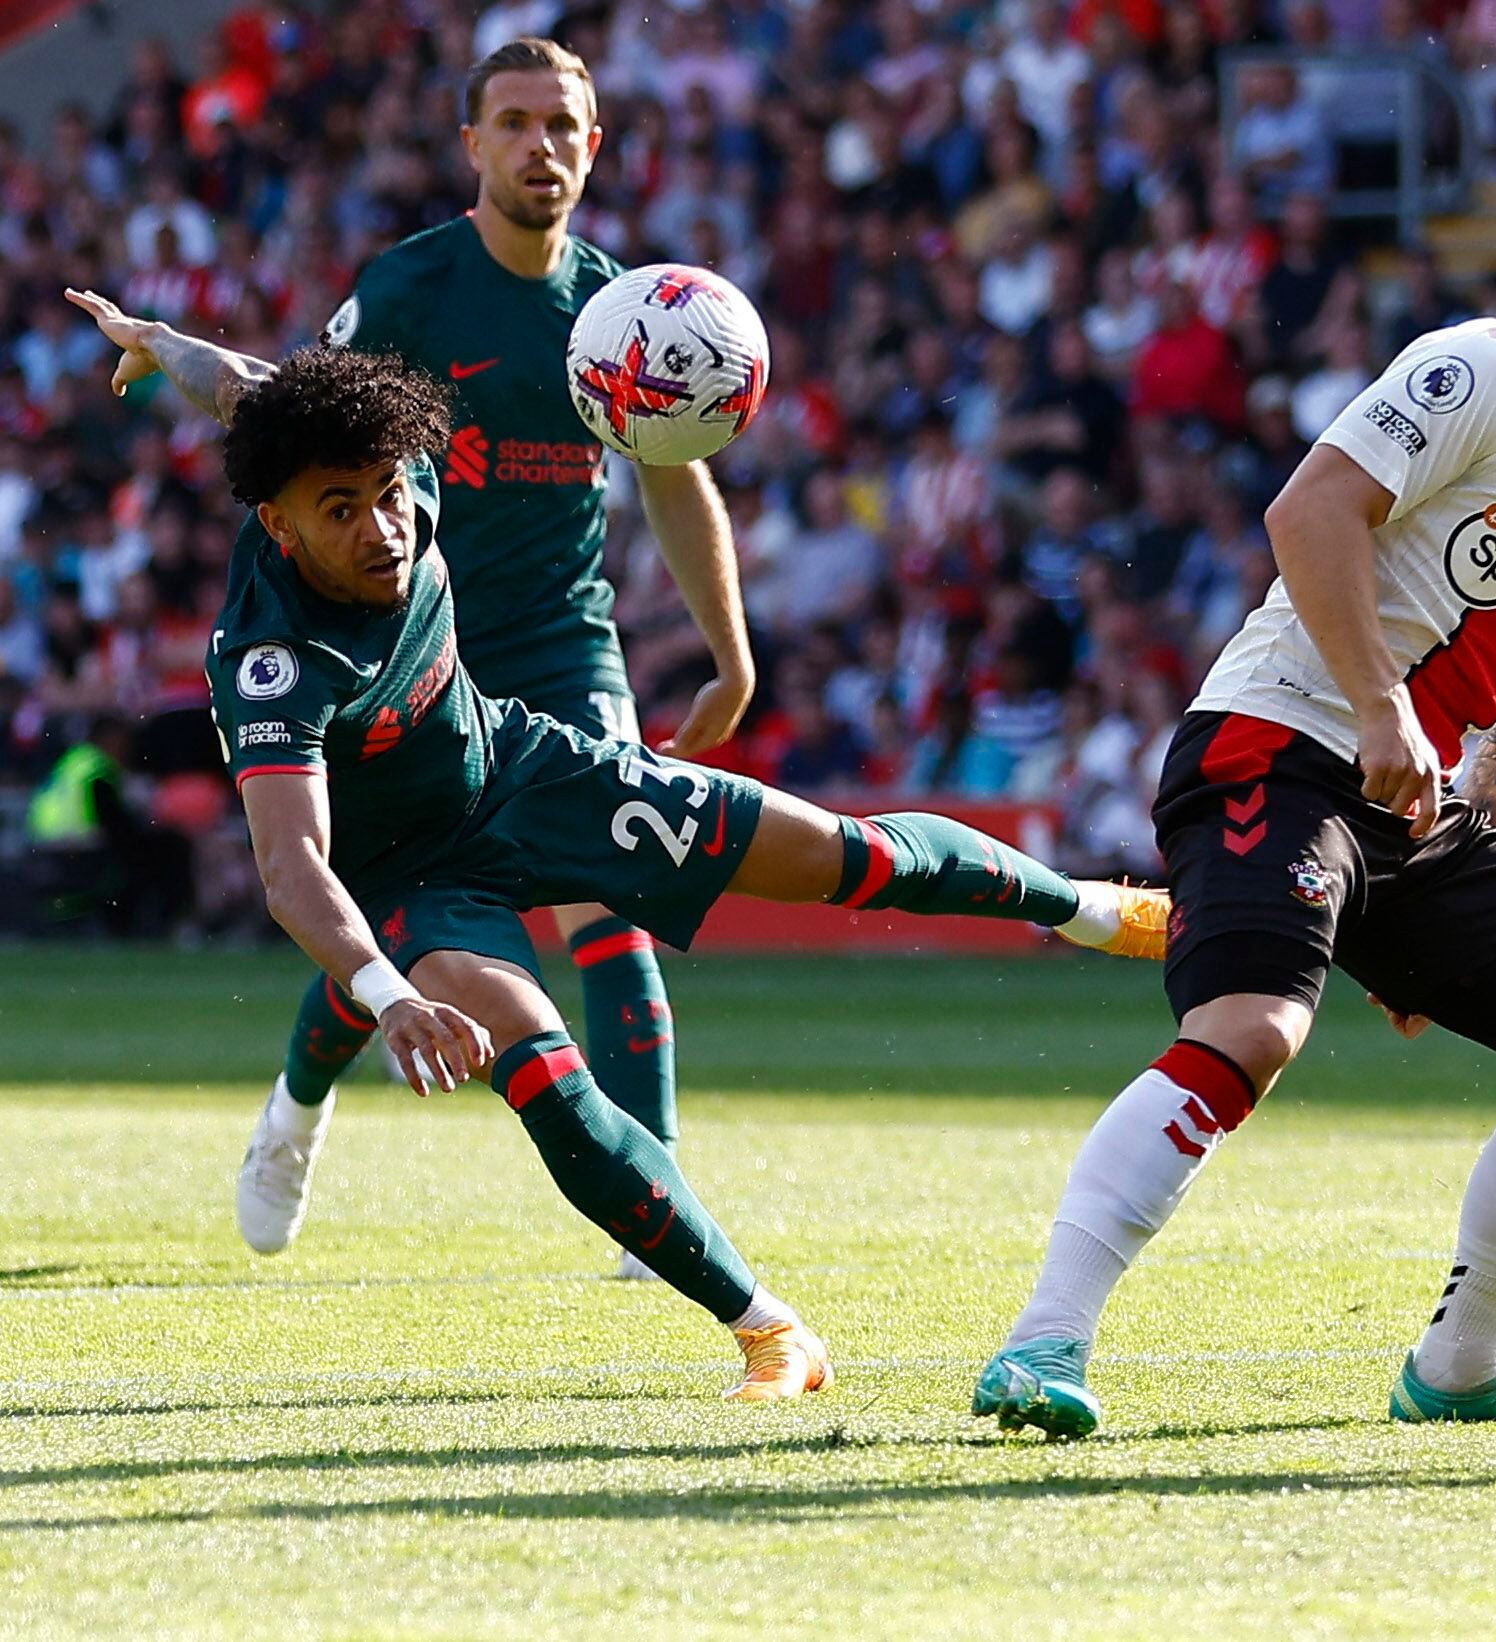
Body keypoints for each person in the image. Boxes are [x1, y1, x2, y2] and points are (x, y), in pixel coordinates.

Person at [60, 332, 1163, 1399]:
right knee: (539, 1060)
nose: (382, 529)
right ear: (278, 523)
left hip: (521, 771)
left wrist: (156, 336)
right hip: (414, 879)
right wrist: (393, 998)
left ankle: (1090, 909)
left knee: (836, 851)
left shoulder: (391, 468)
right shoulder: (275, 661)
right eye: (340, 511)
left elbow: (241, 383)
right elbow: (294, 864)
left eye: (387, 495)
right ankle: (770, 1332)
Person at [974, 143, 1496, 1439]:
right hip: (1278, 736)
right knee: (1252, 1028)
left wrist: (1458, 930)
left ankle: (1460, 1365)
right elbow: (1308, 513)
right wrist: (1376, 703)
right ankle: (1040, 1340)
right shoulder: (1484, 368)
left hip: (1407, 808)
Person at [203, 38, 751, 1267]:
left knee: (616, 901)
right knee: (402, 923)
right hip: (415, 651)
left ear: (593, 147)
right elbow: (299, 426)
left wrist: (729, 649)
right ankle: (296, 1109)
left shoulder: (623, 314)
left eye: (561, 125)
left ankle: (651, 1198)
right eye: (513, 122)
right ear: (472, 145)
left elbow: (673, 475)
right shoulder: (410, 289)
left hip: (565, 646)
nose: (538, 146)